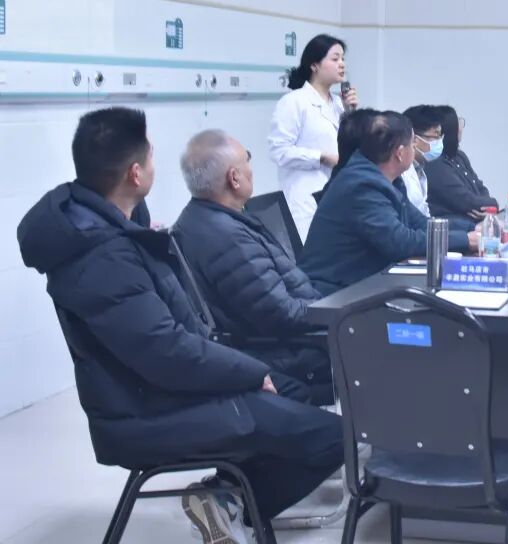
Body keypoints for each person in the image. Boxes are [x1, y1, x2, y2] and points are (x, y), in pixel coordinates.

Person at [17, 107, 342, 544]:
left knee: (294, 394)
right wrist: (249, 373)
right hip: (146, 412)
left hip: (163, 387)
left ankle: (225, 493)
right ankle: (235, 504)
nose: (155, 164)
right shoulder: (102, 256)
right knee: (333, 438)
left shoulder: (112, 229)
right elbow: (166, 351)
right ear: (135, 174)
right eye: (150, 156)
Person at [173, 129, 332, 404]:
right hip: (288, 350)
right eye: (247, 159)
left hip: (286, 337)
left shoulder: (205, 218)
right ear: (234, 178)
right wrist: (336, 312)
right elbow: (279, 312)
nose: (251, 168)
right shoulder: (226, 237)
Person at [301, 110, 479, 295]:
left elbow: (420, 223)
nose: (414, 148)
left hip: (364, 284)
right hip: (333, 293)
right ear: (400, 153)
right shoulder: (362, 185)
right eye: (412, 143)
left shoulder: (389, 179)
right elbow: (400, 242)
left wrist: (473, 229)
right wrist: (466, 240)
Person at [267, 34, 358, 242]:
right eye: (335, 59)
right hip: (305, 199)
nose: (342, 64)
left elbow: (352, 147)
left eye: (343, 59)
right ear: (314, 65)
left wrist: (351, 113)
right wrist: (321, 157)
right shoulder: (294, 102)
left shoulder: (339, 104)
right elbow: (278, 151)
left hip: (336, 195)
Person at [425, 105, 497, 224]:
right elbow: (467, 201)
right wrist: (493, 204)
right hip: (454, 225)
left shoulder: (459, 156)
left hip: (475, 222)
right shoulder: (435, 163)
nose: (461, 127)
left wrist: (489, 207)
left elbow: (480, 187)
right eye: (457, 123)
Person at [401, 105, 444, 216]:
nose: (439, 141)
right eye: (436, 135)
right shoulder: (402, 174)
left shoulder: (419, 169)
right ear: (415, 139)